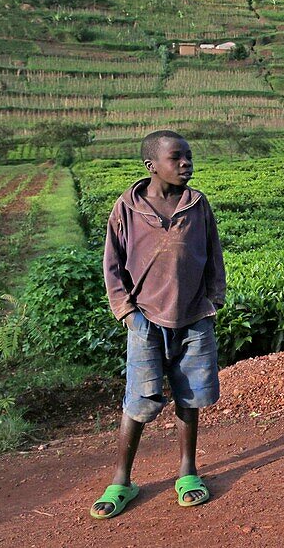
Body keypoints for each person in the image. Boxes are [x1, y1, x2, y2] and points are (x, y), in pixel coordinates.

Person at [90, 130, 226, 518]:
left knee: (190, 396)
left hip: (194, 317)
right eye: (176, 157)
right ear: (151, 165)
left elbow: (214, 255)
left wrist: (213, 300)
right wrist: (128, 313)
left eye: (189, 156)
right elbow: (112, 266)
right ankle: (122, 479)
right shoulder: (127, 209)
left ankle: (187, 472)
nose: (186, 163)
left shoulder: (198, 205)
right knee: (138, 400)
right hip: (145, 320)